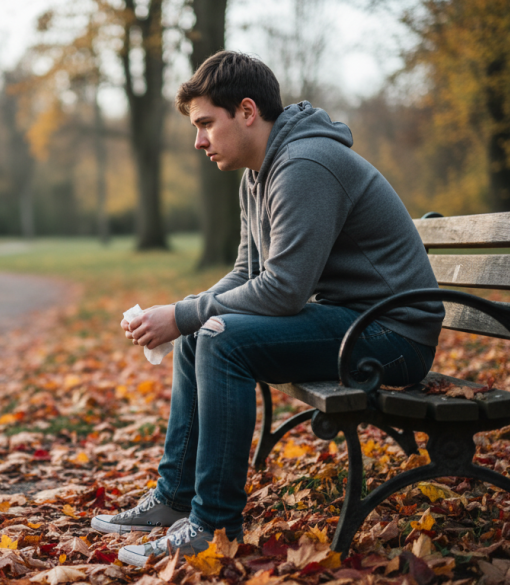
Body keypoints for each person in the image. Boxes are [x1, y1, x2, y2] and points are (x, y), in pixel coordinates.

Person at [90, 51, 445, 567]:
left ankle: (212, 526)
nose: (199, 141)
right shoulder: (257, 175)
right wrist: (179, 315)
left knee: (217, 336)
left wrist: (185, 314)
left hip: (393, 338)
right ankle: (175, 500)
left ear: (248, 112)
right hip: (353, 323)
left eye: (207, 124)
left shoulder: (305, 165)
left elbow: (283, 290)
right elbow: (246, 273)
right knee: (200, 331)